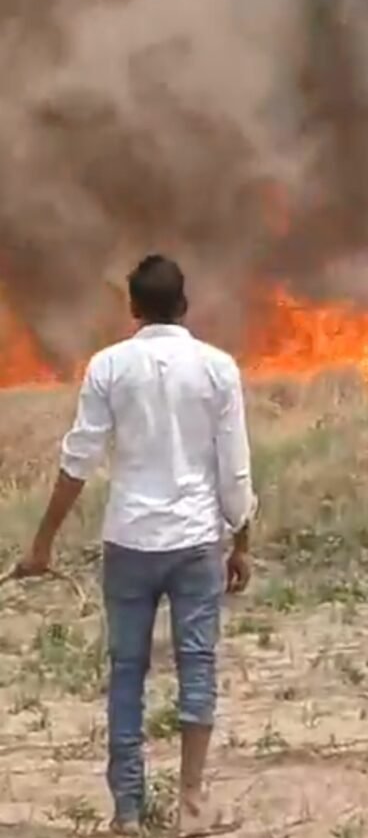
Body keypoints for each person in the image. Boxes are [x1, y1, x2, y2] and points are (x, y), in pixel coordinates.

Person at [15, 255, 256, 837]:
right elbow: (235, 470)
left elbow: (78, 460)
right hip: (196, 542)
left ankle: (126, 812)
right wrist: (241, 542)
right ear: (184, 304)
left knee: (127, 672)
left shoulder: (109, 366)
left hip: (129, 541)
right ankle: (191, 803)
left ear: (133, 308)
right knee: (197, 665)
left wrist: (42, 544)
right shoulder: (218, 368)